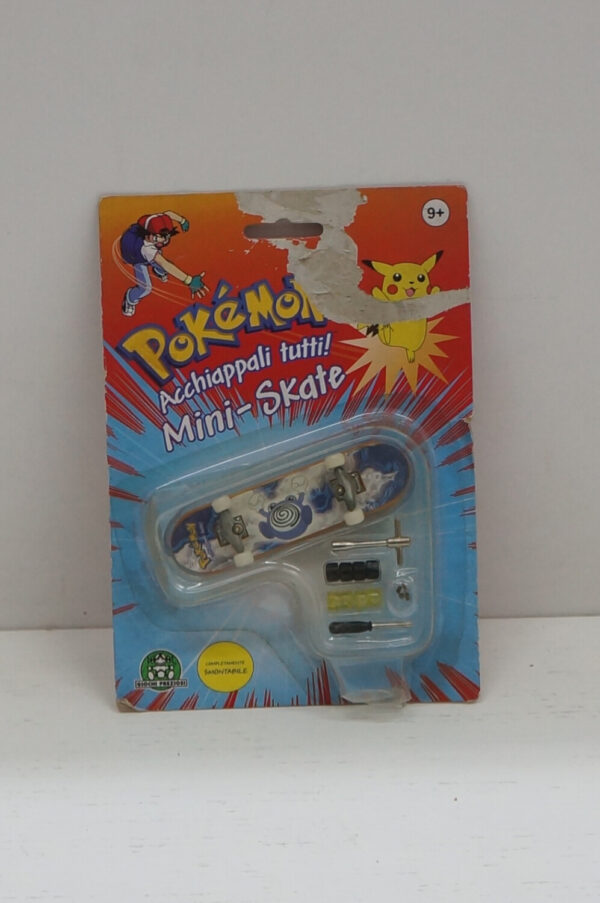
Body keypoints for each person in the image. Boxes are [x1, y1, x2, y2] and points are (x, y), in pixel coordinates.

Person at [119, 211, 208, 316]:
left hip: (146, 249)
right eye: (159, 237)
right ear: (148, 233)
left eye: (166, 237)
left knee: (161, 262)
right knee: (145, 288)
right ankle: (130, 298)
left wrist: (182, 220)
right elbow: (164, 264)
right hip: (136, 258)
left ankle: (158, 271)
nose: (163, 241)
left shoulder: (157, 221)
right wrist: (189, 280)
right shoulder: (147, 249)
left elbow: (168, 213)